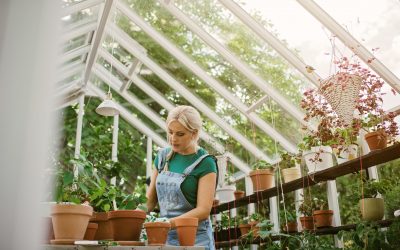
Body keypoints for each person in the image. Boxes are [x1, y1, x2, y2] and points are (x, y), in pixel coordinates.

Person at [146, 105, 217, 250]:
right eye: (170, 132)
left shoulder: (205, 163)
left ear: (194, 133)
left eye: (180, 134)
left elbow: (203, 210)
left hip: (195, 240)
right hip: (164, 238)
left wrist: (166, 224)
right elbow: (150, 200)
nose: (173, 139)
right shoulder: (162, 157)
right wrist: (133, 216)